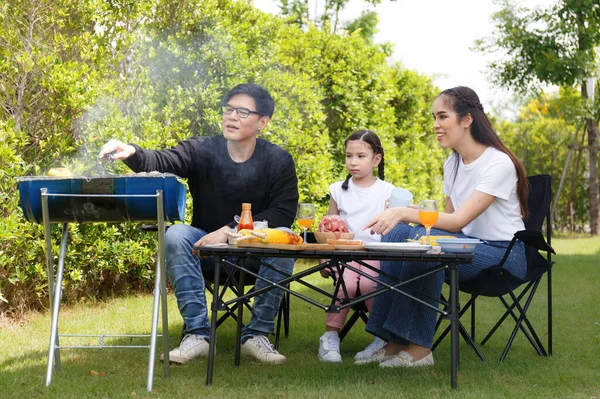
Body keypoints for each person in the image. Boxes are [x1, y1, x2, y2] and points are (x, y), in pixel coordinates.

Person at [99, 83, 298, 365]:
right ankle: (197, 335)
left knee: (285, 235)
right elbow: (161, 159)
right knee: (177, 233)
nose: (232, 116)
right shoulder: (201, 149)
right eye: (228, 109)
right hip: (206, 253)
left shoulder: (278, 160)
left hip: (256, 255)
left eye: (242, 111)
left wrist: (230, 232)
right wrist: (131, 152)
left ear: (262, 122)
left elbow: (283, 212)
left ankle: (256, 335)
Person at [357, 86, 529, 368]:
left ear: (466, 119)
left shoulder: (498, 163)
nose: (435, 125)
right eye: (434, 118)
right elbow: (446, 219)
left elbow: (458, 220)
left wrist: (404, 213)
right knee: (404, 234)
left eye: (442, 116)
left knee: (427, 243)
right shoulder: (453, 163)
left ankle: (420, 347)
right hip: (464, 244)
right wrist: (408, 214)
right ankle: (392, 341)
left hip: (503, 254)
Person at [318, 130, 394, 363]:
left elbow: (394, 229)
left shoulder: (387, 191)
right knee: (346, 283)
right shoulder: (337, 190)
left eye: (360, 156)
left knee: (372, 282)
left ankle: (380, 339)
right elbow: (329, 229)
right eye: (349, 156)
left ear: (376, 159)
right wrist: (324, 258)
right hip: (345, 254)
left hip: (377, 254)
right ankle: (330, 337)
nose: (353, 162)